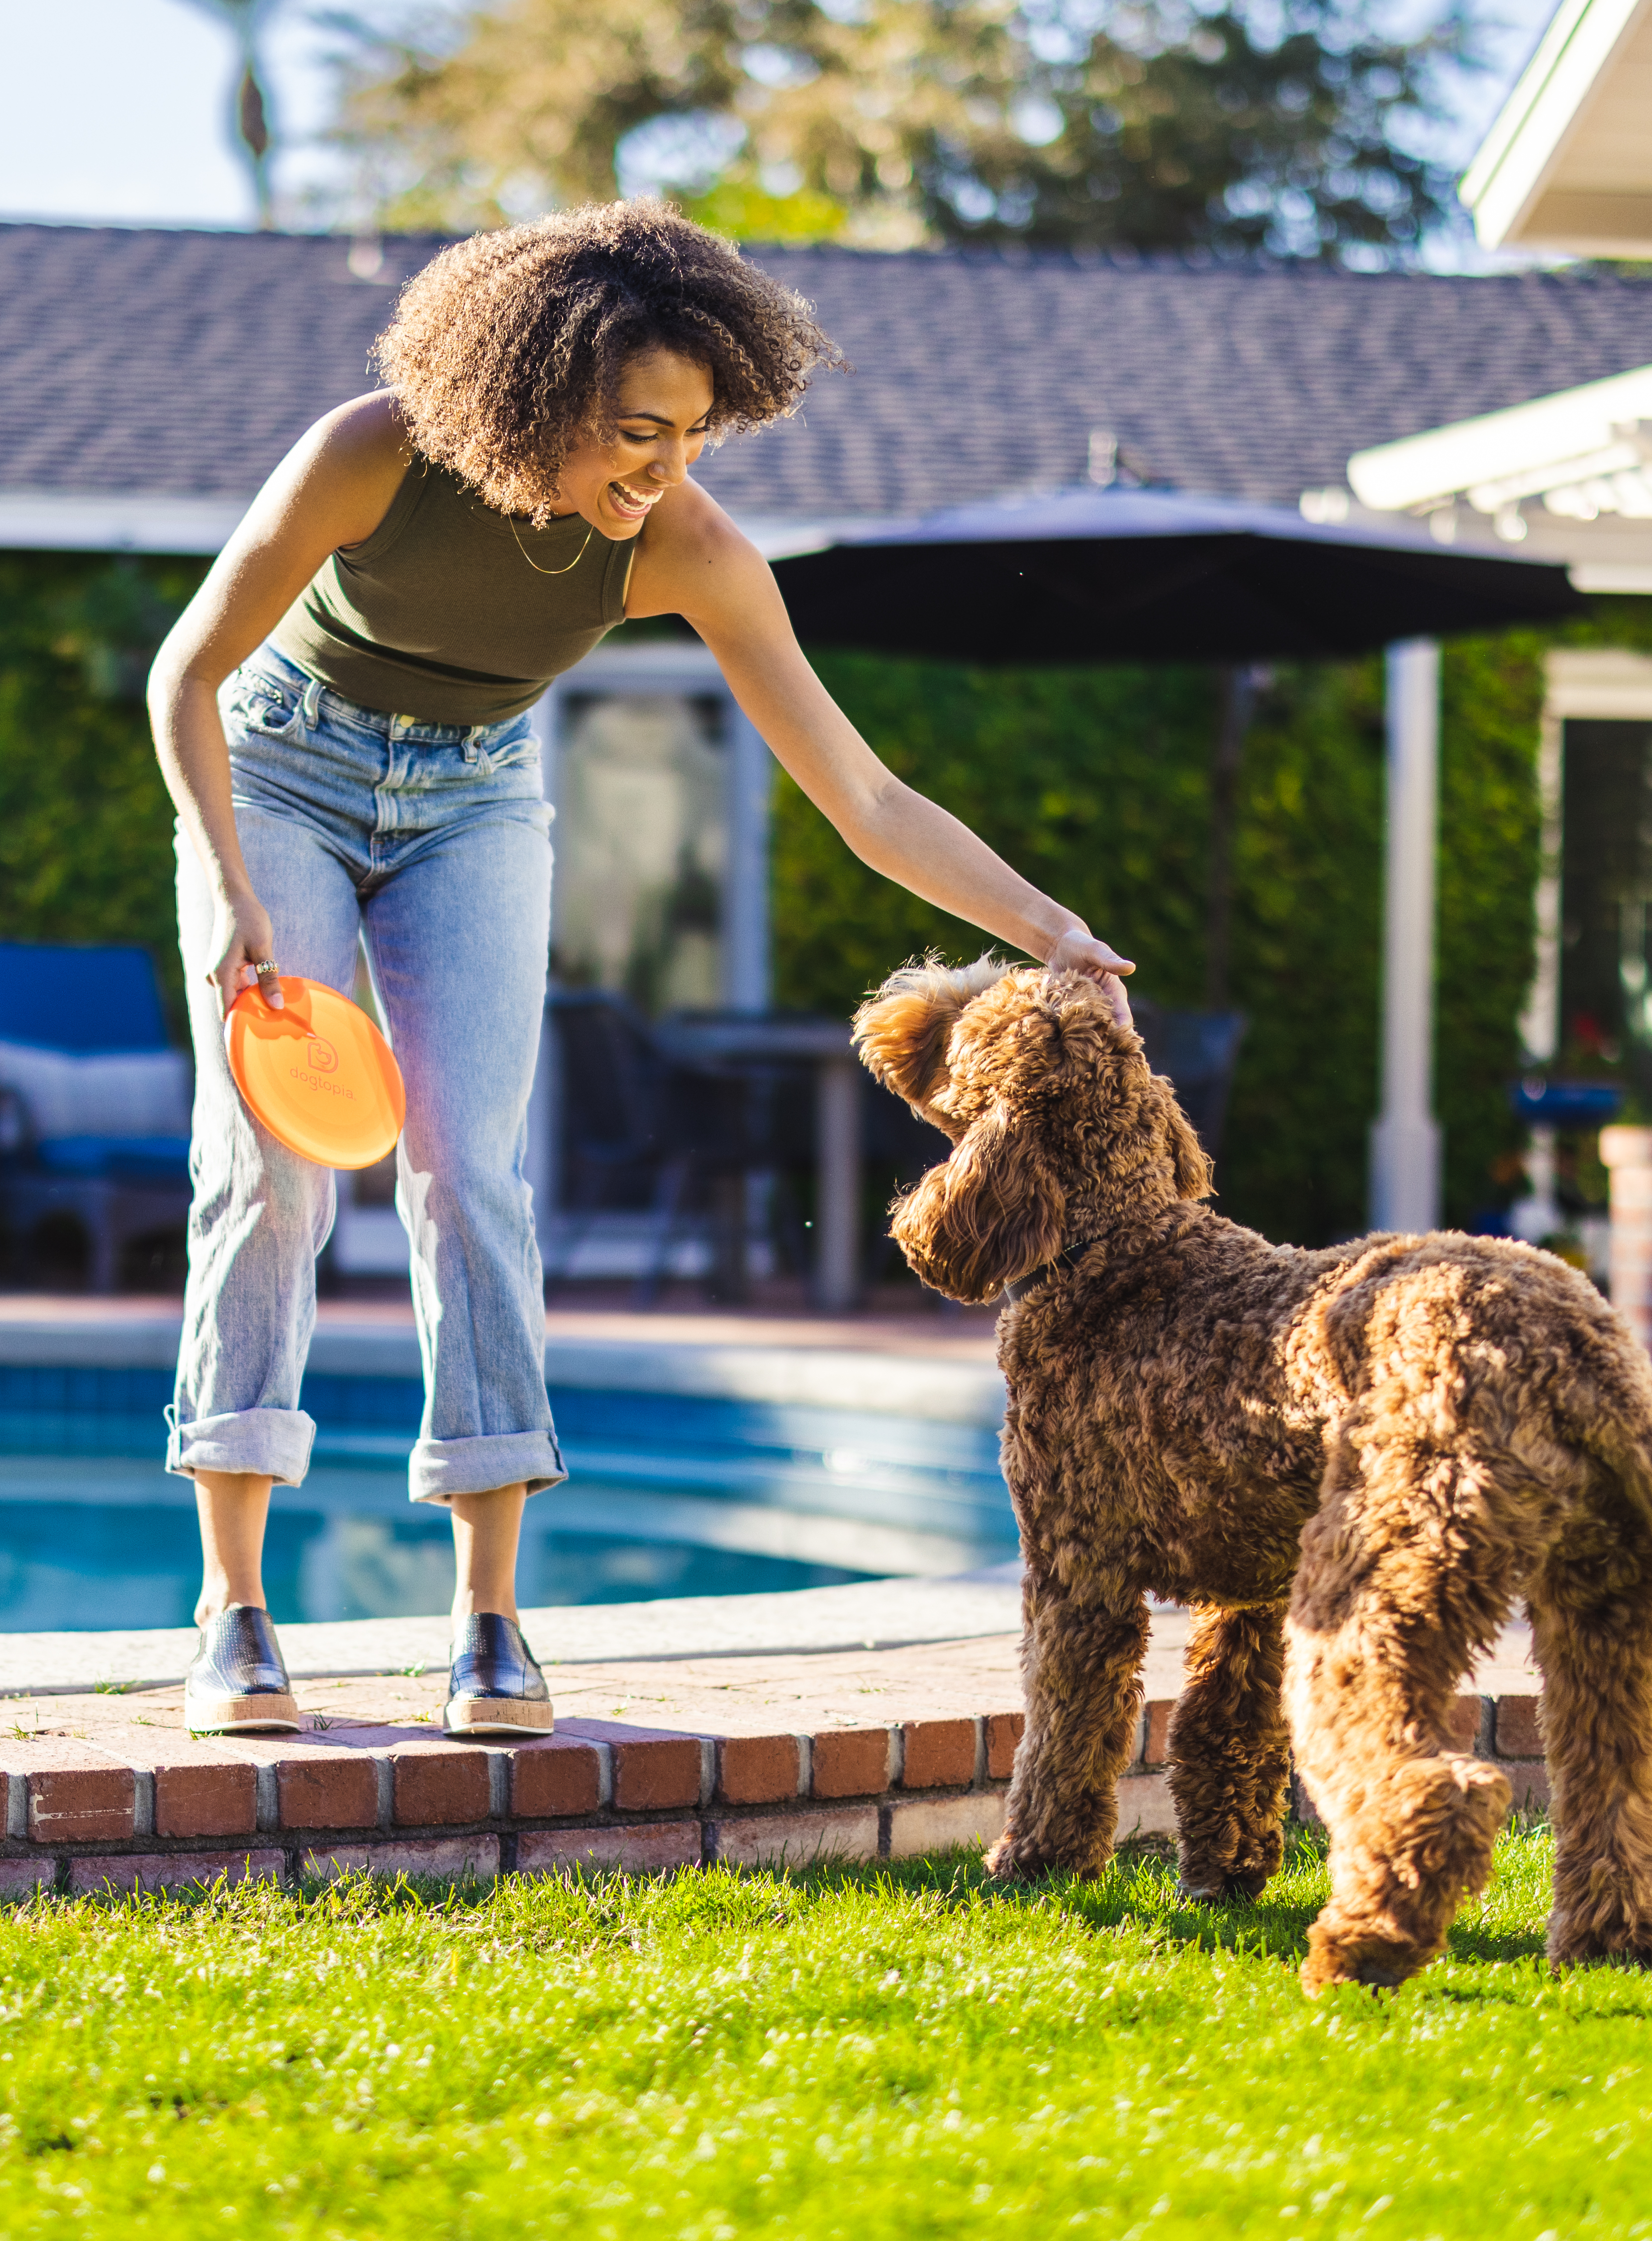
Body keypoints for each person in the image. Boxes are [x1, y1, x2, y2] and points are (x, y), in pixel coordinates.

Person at [147, 202, 1133, 1739]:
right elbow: (189, 671)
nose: (662, 467)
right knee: (272, 1171)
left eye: (689, 433)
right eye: (630, 431)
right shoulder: (371, 454)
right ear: (532, 393)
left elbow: (866, 803)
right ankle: (235, 1609)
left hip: (475, 800)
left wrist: (1050, 928)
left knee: (470, 1173)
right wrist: (220, 886)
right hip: (278, 777)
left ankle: (487, 1621)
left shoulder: (685, 547)